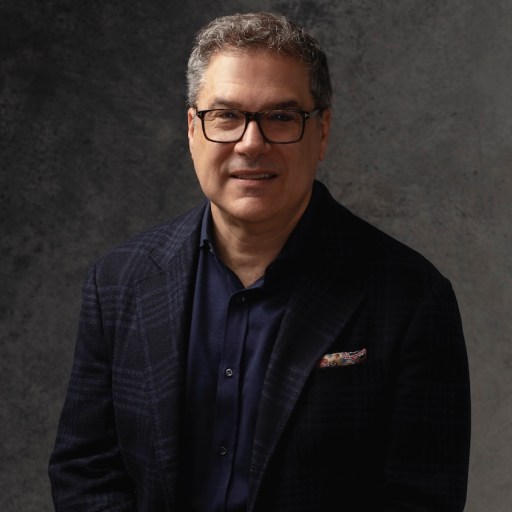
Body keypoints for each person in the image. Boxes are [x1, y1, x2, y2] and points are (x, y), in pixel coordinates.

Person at [49, 12, 471, 512]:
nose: (252, 143)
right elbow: (85, 469)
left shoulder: (412, 298)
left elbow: (423, 498)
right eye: (226, 115)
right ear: (192, 129)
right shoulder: (118, 282)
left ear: (323, 133)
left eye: (281, 117)